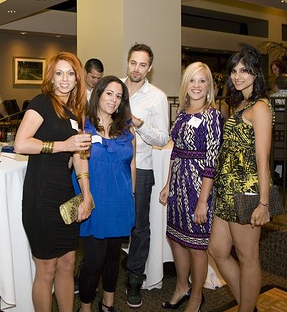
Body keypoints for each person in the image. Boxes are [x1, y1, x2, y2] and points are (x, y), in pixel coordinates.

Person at [14, 51, 92, 312]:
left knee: (68, 264)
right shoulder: (42, 103)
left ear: (78, 78)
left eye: (70, 74)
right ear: (51, 77)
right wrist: (63, 145)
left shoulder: (77, 113)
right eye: (59, 73)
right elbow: (21, 143)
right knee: (46, 269)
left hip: (65, 194)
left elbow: (80, 156)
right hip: (40, 196)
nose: (64, 79)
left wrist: (86, 194)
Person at [208, 45, 274, 312]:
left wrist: (264, 203)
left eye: (244, 70)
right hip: (227, 188)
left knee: (248, 257)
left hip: (247, 190)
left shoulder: (261, 107)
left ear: (256, 73)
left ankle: (246, 308)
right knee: (218, 250)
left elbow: (262, 158)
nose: (237, 76)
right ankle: (248, 305)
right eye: (234, 71)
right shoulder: (241, 104)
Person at [159, 62, 223, 312]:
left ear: (209, 87)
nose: (196, 85)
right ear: (186, 84)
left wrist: (203, 201)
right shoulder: (183, 113)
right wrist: (168, 184)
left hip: (198, 188)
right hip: (177, 186)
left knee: (197, 245)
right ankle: (181, 287)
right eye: (192, 80)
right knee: (176, 238)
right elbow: (175, 150)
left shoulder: (212, 116)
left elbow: (212, 162)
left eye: (202, 81)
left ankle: (196, 296)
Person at [77, 76, 135, 312]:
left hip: (120, 202)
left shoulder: (126, 129)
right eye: (109, 93)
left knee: (113, 258)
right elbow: (75, 162)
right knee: (94, 261)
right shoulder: (83, 125)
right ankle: (85, 307)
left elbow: (132, 165)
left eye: (119, 96)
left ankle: (107, 304)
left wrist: (132, 196)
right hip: (94, 203)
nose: (113, 100)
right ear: (98, 94)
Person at [122, 43, 170, 308]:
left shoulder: (157, 97)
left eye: (142, 64)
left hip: (141, 167)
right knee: (106, 220)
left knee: (139, 226)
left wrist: (139, 124)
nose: (136, 69)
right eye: (133, 63)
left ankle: (134, 278)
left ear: (149, 67)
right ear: (127, 62)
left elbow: (162, 138)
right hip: (111, 165)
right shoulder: (114, 88)